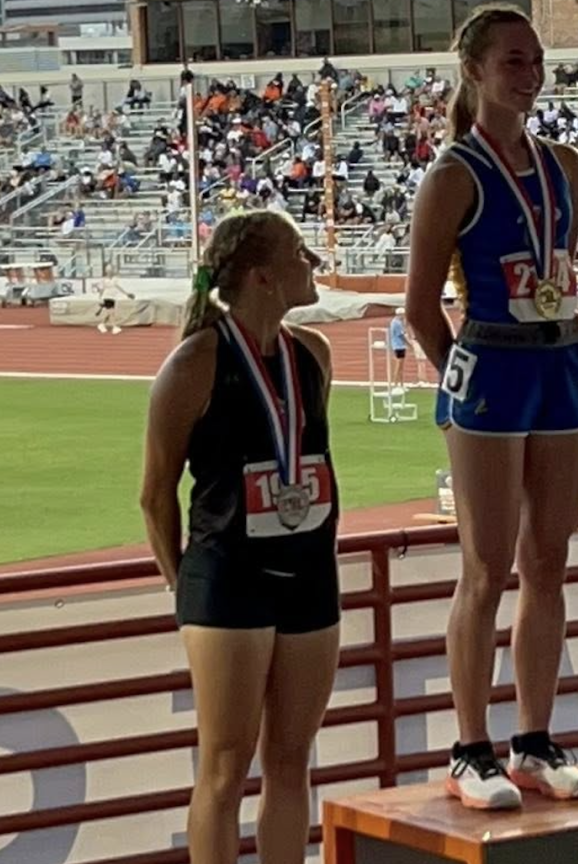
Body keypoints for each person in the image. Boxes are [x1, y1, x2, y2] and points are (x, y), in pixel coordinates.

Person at [404, 3, 578, 811]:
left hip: (561, 360)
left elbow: (556, 264)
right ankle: (469, 748)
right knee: (486, 566)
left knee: (548, 560)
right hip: (490, 366)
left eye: (536, 59)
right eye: (513, 61)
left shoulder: (566, 166)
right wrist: (463, 379)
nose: (531, 74)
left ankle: (535, 740)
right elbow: (420, 307)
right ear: (474, 71)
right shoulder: (453, 175)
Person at [140, 209, 340, 864]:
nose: (312, 262)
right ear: (262, 276)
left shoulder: (313, 354)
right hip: (227, 580)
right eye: (299, 253)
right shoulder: (194, 363)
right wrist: (185, 589)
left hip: (309, 575)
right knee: (225, 767)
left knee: (292, 759)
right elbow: (155, 494)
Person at [96, 269, 135, 335]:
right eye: (108, 271)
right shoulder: (104, 280)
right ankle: (114, 327)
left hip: (113, 297)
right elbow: (102, 289)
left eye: (111, 271)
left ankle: (102, 324)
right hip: (106, 296)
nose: (110, 272)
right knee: (112, 312)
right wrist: (100, 298)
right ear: (106, 272)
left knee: (109, 313)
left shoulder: (115, 279)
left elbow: (118, 287)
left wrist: (126, 293)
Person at [388, 307, 409, 388]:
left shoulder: (395, 322)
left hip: (398, 345)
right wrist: (409, 344)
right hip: (399, 346)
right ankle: (396, 384)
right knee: (399, 366)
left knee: (400, 366)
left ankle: (401, 384)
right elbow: (401, 335)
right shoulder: (397, 323)